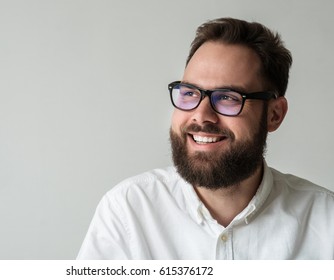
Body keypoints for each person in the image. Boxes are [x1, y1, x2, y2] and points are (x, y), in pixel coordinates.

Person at [76, 17, 334, 259]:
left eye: (228, 98)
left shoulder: (326, 222)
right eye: (189, 93)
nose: (201, 116)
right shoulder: (128, 212)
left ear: (274, 115)